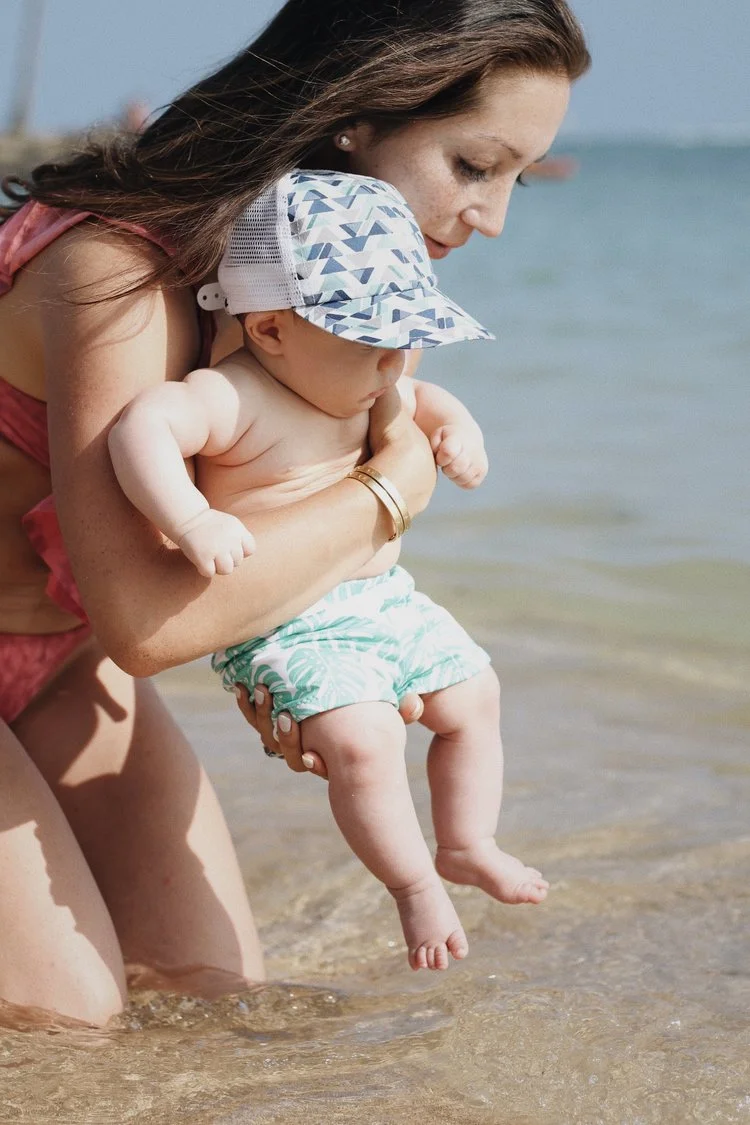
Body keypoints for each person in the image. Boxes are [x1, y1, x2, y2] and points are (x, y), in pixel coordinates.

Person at [0, 0, 589, 1024]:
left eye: (518, 179)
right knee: (74, 1025)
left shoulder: (323, 301)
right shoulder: (116, 269)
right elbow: (148, 624)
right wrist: (390, 492)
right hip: (103, 644)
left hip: (58, 665)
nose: (492, 218)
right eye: (473, 165)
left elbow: (262, 543)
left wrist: (314, 673)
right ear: (356, 114)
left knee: (213, 1000)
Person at [108, 169, 549, 971]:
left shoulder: (370, 383)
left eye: (406, 336)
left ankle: (467, 840)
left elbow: (426, 397)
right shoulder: (234, 397)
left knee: (476, 694)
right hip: (290, 623)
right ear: (272, 329)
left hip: (387, 600)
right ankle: (413, 885)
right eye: (374, 340)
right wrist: (191, 517)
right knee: (365, 738)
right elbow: (140, 428)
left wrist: (461, 432)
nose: (396, 361)